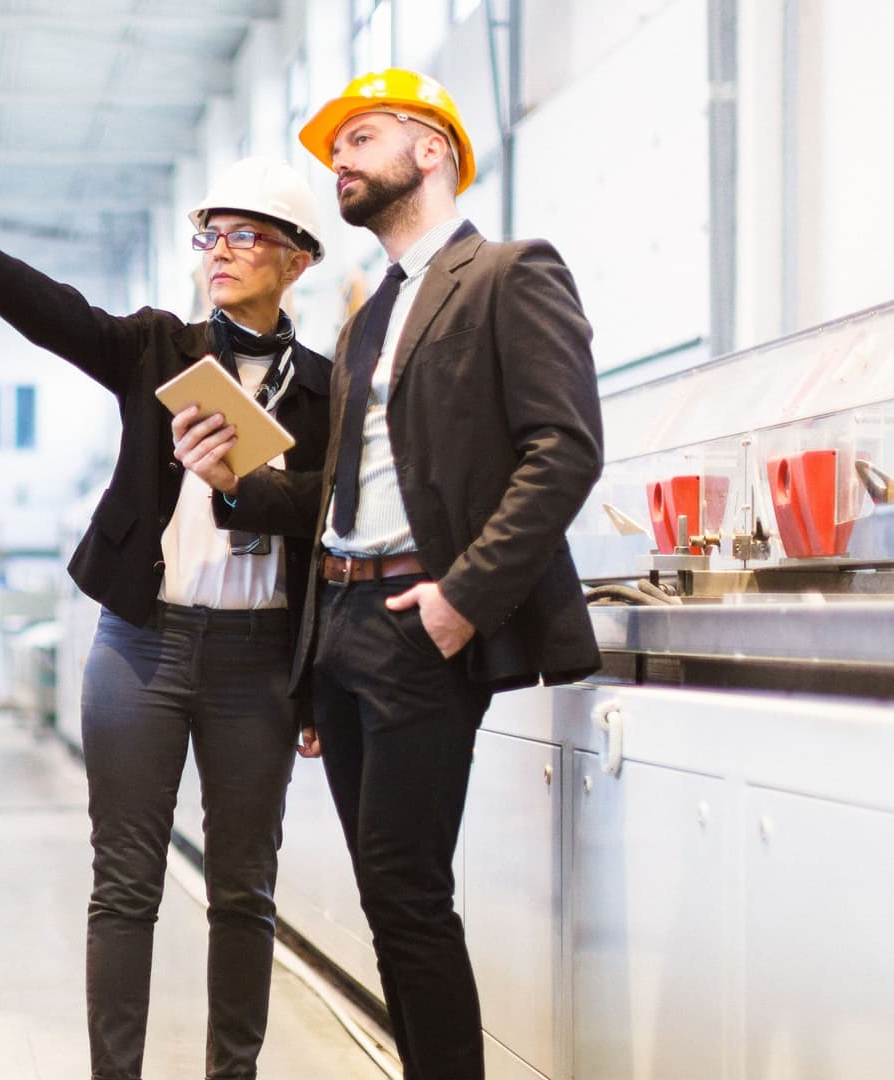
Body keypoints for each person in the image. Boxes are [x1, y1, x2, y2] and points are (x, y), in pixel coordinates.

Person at [176, 70, 604, 1078]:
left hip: (426, 617)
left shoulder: (509, 272)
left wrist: (462, 601)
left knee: (408, 891)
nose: (341, 161)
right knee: (385, 893)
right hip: (350, 622)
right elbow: (344, 488)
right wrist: (239, 481)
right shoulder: (370, 315)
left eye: (361, 138)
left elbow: (565, 451)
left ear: (431, 150)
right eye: (336, 149)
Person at [0, 158, 331, 1080]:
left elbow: (331, 519)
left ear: (297, 260)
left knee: (245, 891)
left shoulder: (330, 391)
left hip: (258, 660)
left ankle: (233, 1074)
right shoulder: (158, 348)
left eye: (245, 235)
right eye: (210, 234)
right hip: (141, 646)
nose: (220, 251)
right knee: (124, 886)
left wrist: (249, 491)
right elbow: (63, 316)